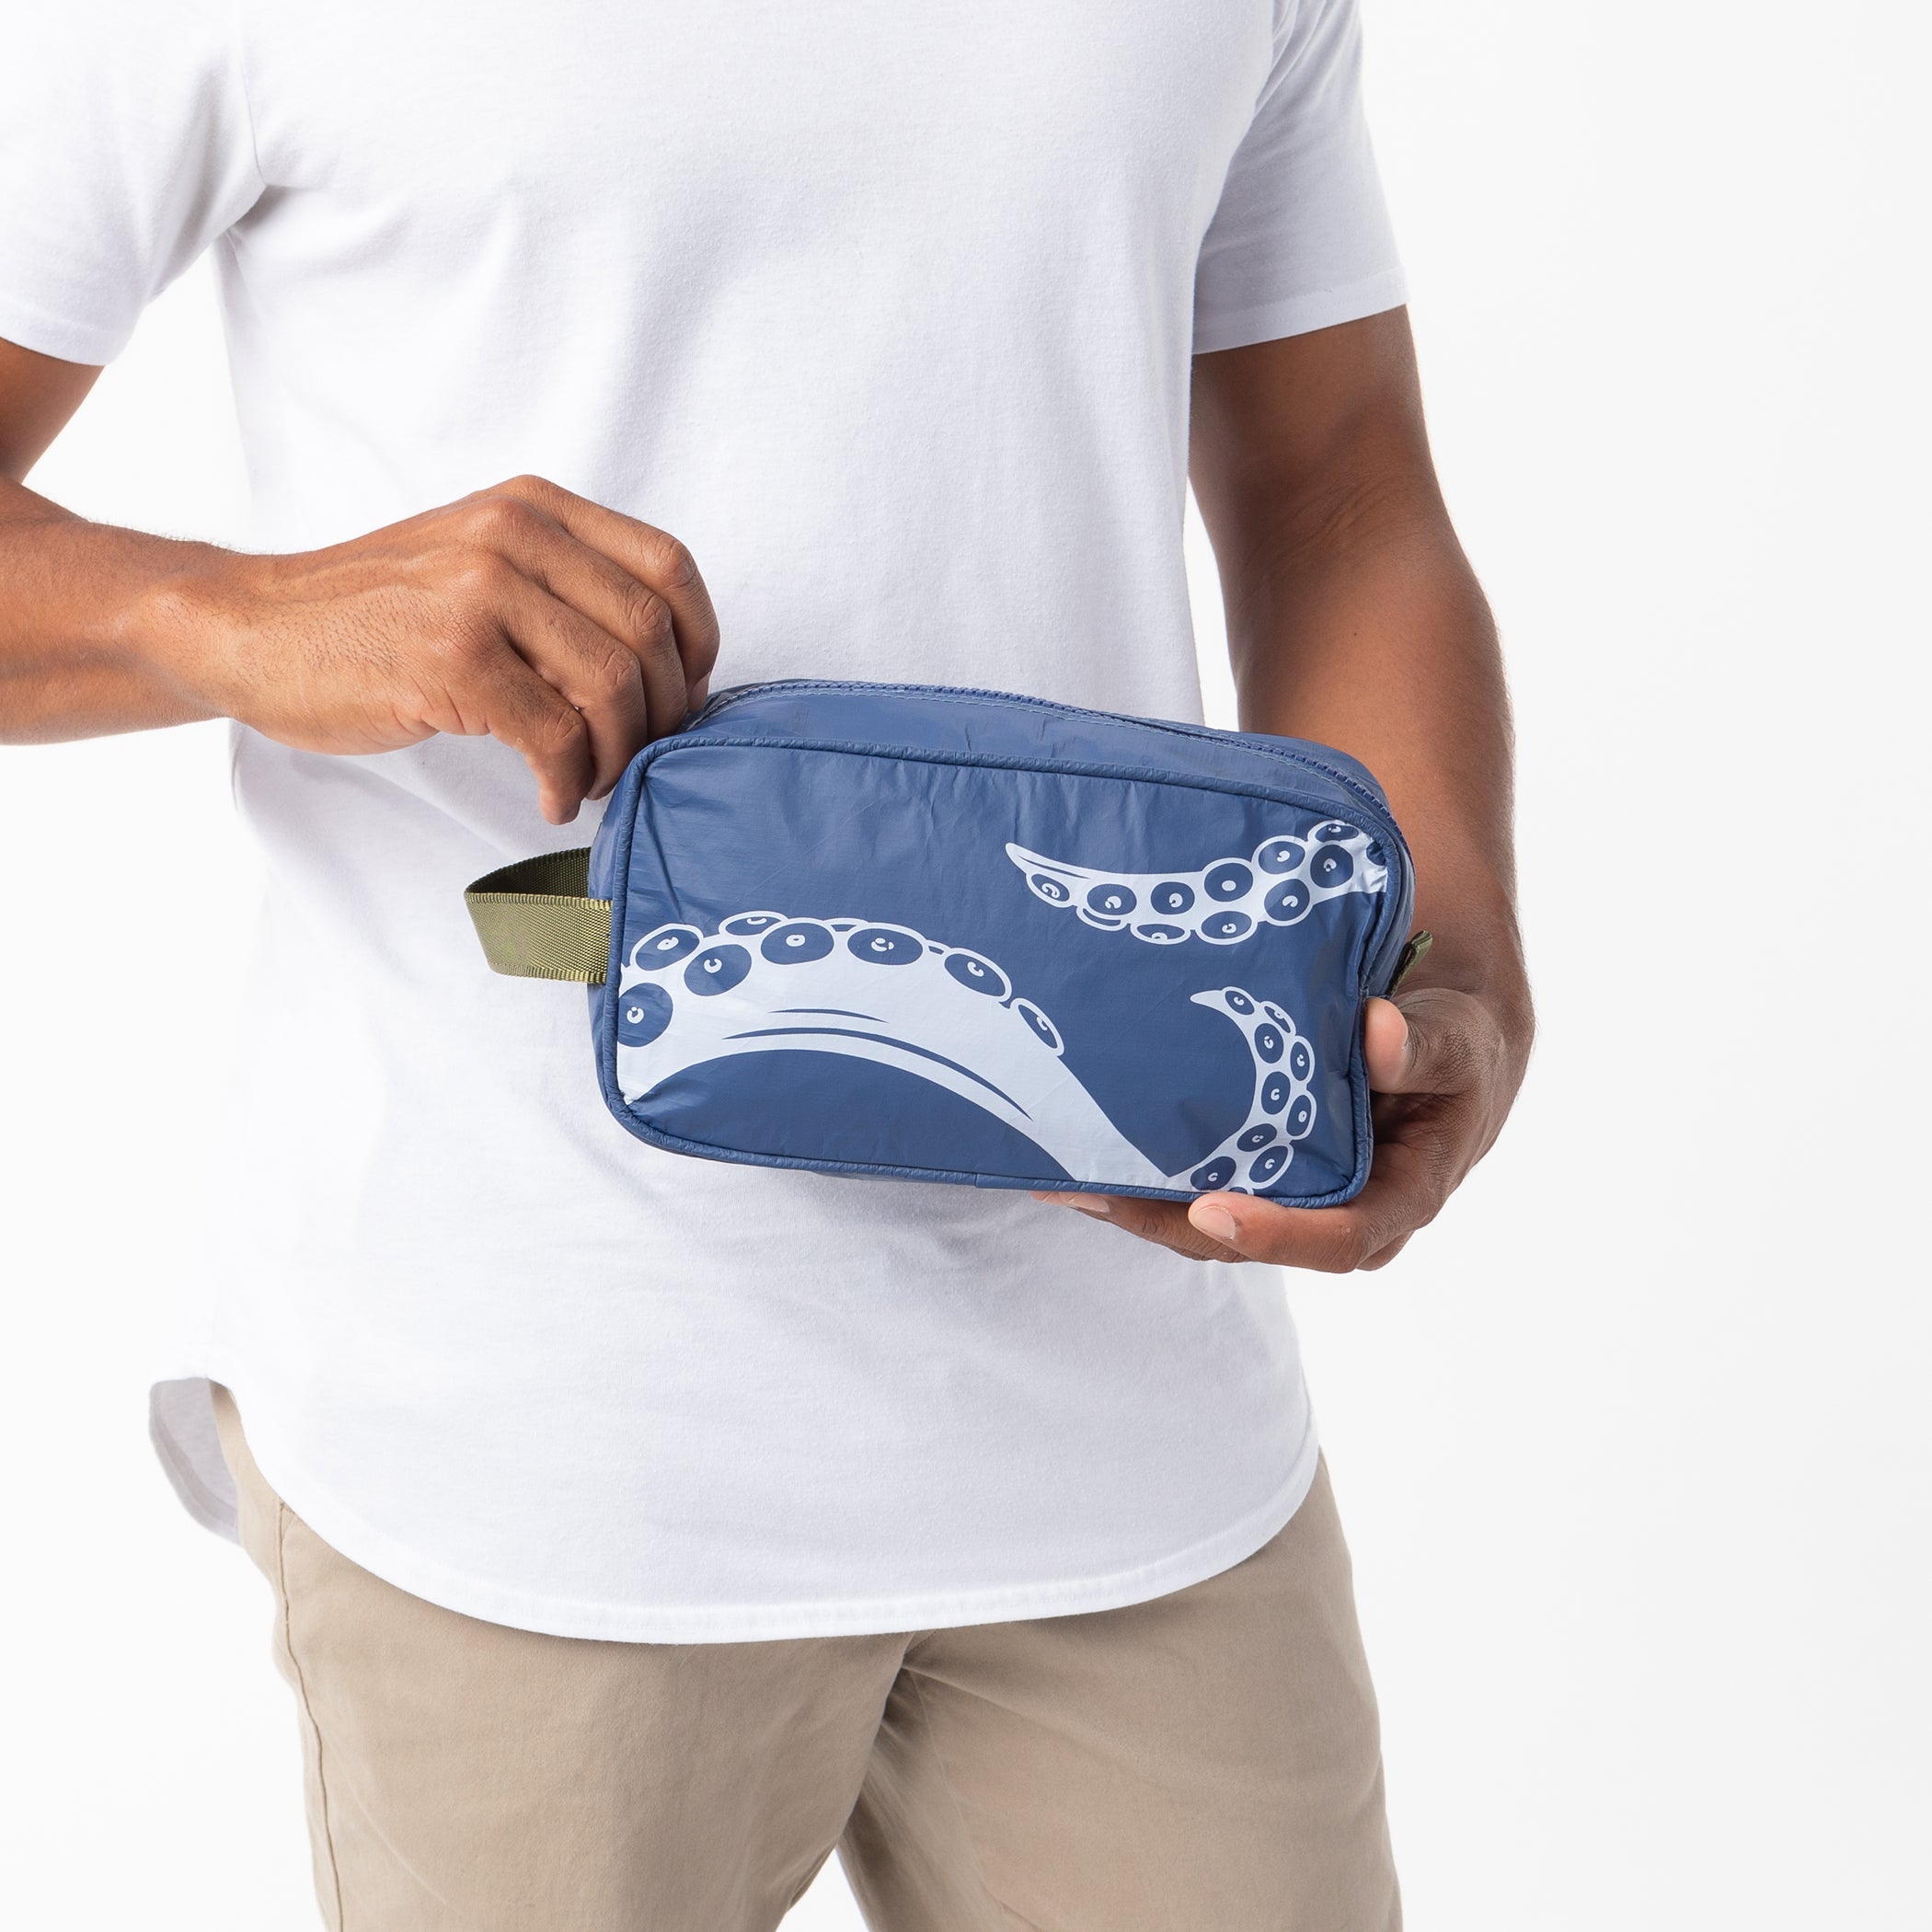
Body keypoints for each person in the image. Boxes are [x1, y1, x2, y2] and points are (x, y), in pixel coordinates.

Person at [0, 1, 1531, 1926]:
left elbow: (1342, 493)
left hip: (1140, 1408)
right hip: (526, 1432)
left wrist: (1450, 956)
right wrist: (232, 614)